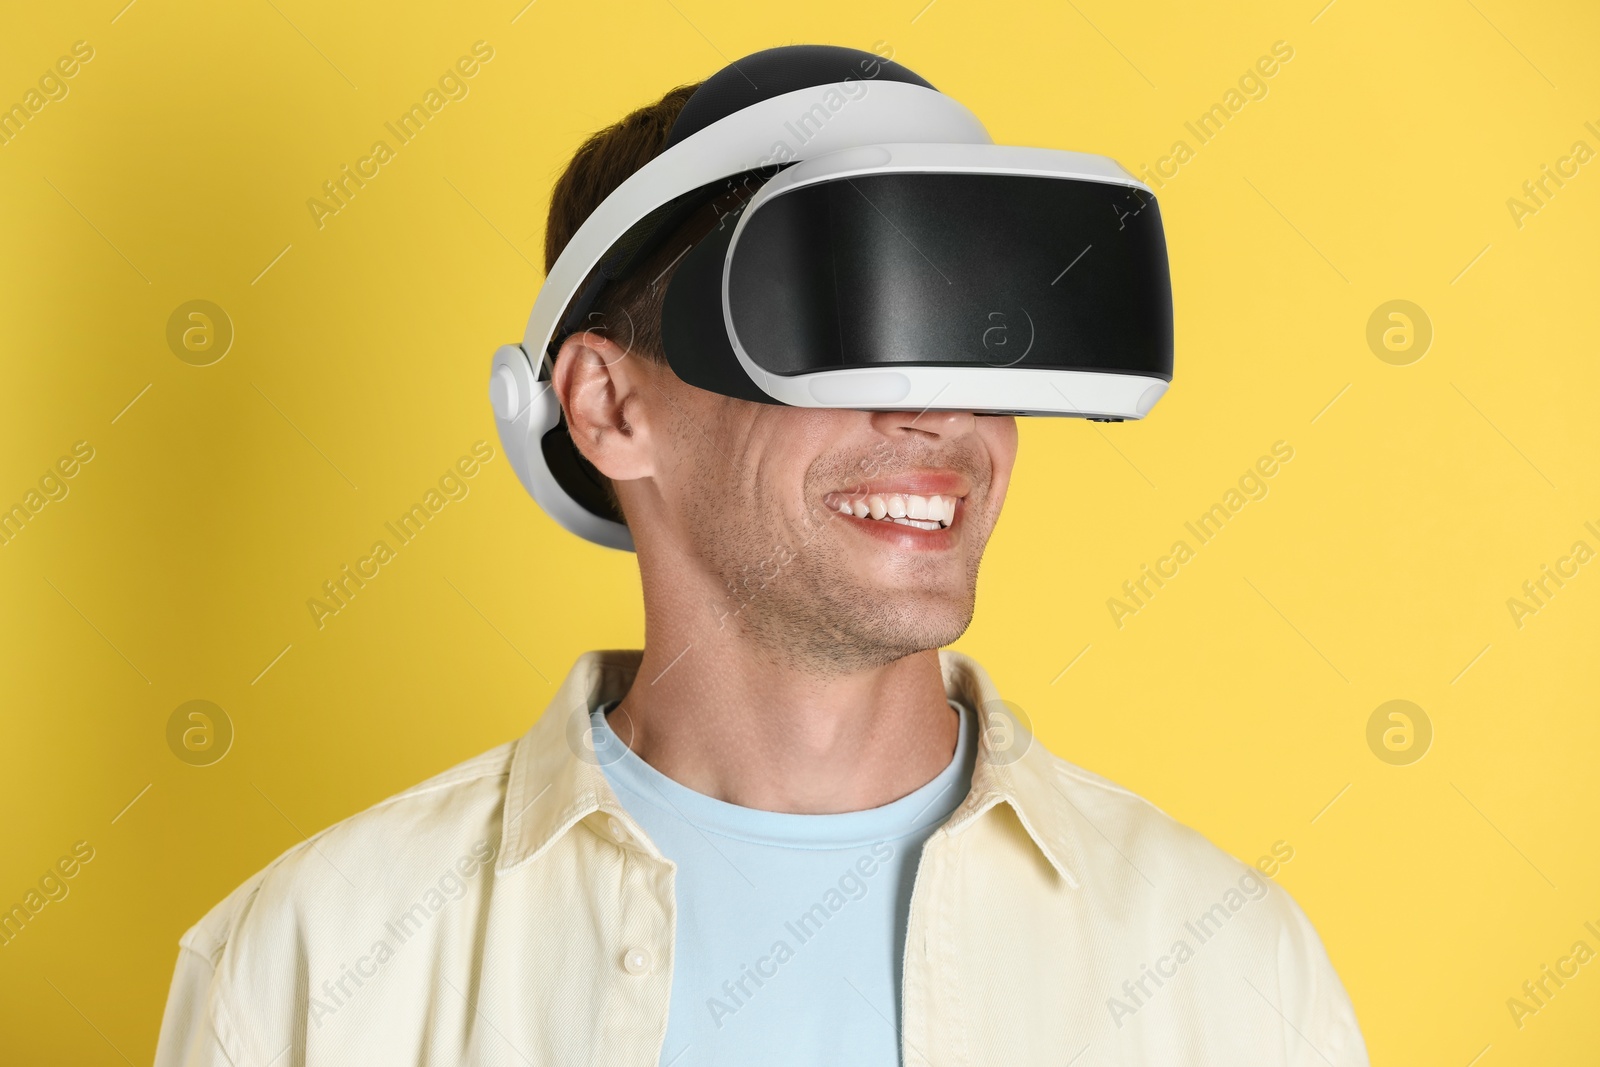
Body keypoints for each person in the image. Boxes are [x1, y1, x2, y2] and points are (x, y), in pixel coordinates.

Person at [154, 45, 1369, 1066]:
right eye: (848, 325)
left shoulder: (1227, 967)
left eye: (976, 340)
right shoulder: (316, 967)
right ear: (608, 406)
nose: (937, 420)